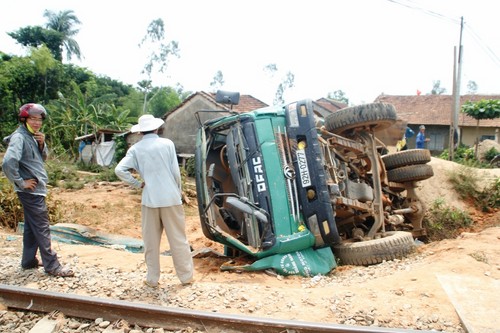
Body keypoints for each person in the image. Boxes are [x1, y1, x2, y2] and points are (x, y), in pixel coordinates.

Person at [115, 114, 194, 288]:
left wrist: (137, 184)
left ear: (141, 131)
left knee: (151, 242)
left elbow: (119, 169)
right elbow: (175, 172)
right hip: (171, 198)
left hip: (150, 199)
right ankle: (186, 277)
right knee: (178, 240)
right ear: (157, 128)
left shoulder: (136, 149)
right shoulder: (167, 144)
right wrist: (178, 192)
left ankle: (152, 278)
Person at [2, 103, 75, 277]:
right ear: (24, 119)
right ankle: (52, 266)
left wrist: (42, 145)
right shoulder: (19, 137)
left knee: (31, 227)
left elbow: (40, 159)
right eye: (32, 119)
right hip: (31, 191)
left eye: (39, 119)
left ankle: (28, 261)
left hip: (37, 190)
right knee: (42, 227)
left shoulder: (33, 136)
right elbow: (8, 162)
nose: (36, 122)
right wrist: (20, 182)